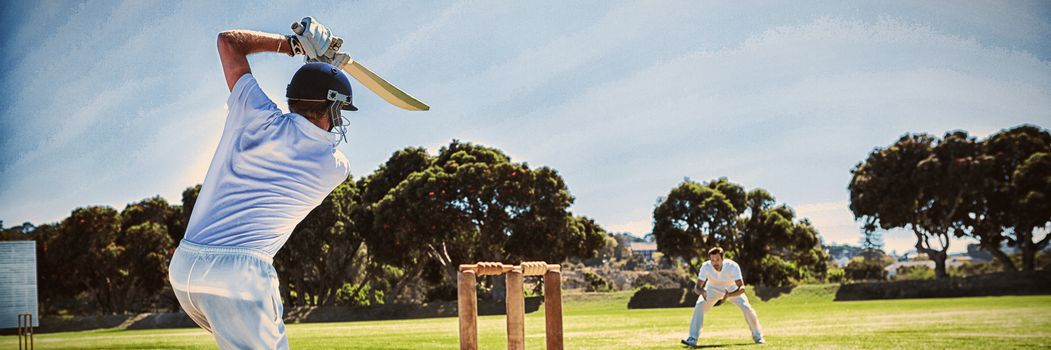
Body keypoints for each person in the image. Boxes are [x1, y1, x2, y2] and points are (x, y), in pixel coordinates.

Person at [167, 17, 354, 349]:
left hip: (185, 269)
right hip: (238, 275)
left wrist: (293, 46)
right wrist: (321, 69)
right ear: (333, 109)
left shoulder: (252, 112)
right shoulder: (334, 166)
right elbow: (314, 129)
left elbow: (228, 42)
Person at [681, 247, 765, 347]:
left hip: (731, 288)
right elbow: (697, 287)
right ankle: (692, 338)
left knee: (746, 308)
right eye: (712, 260)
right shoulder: (705, 266)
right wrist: (702, 292)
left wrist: (729, 294)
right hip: (712, 289)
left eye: (717, 259)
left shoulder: (732, 266)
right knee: (699, 305)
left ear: (722, 258)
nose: (715, 263)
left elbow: (742, 288)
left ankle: (758, 336)